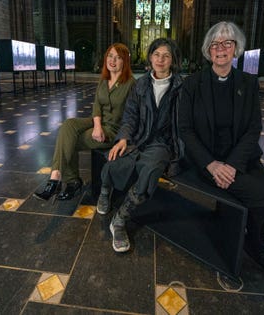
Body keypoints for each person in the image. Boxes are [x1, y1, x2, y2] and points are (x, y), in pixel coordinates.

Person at [178, 21, 264, 277]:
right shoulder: (193, 84)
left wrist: (232, 164)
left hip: (242, 160)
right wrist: (212, 164)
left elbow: (253, 128)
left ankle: (255, 234)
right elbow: (186, 130)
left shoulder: (248, 83)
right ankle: (259, 244)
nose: (221, 49)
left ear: (235, 48)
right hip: (208, 162)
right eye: (215, 44)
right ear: (208, 50)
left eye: (227, 43)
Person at [96, 38, 183, 253]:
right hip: (137, 138)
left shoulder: (181, 87)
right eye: (156, 54)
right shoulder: (141, 84)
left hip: (162, 143)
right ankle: (105, 191)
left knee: (150, 171)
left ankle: (120, 219)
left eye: (166, 55)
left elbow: (183, 124)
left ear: (172, 60)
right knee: (114, 159)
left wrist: (177, 156)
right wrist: (123, 138)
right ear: (150, 57)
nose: (160, 59)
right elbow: (130, 116)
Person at [33, 43, 136, 202]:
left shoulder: (131, 84)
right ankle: (56, 176)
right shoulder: (104, 80)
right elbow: (96, 105)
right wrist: (97, 125)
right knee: (69, 125)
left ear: (125, 62)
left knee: (69, 141)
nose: (112, 60)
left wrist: (123, 137)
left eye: (118, 57)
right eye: (110, 56)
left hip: (115, 129)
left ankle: (70, 181)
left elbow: (133, 114)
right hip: (99, 122)